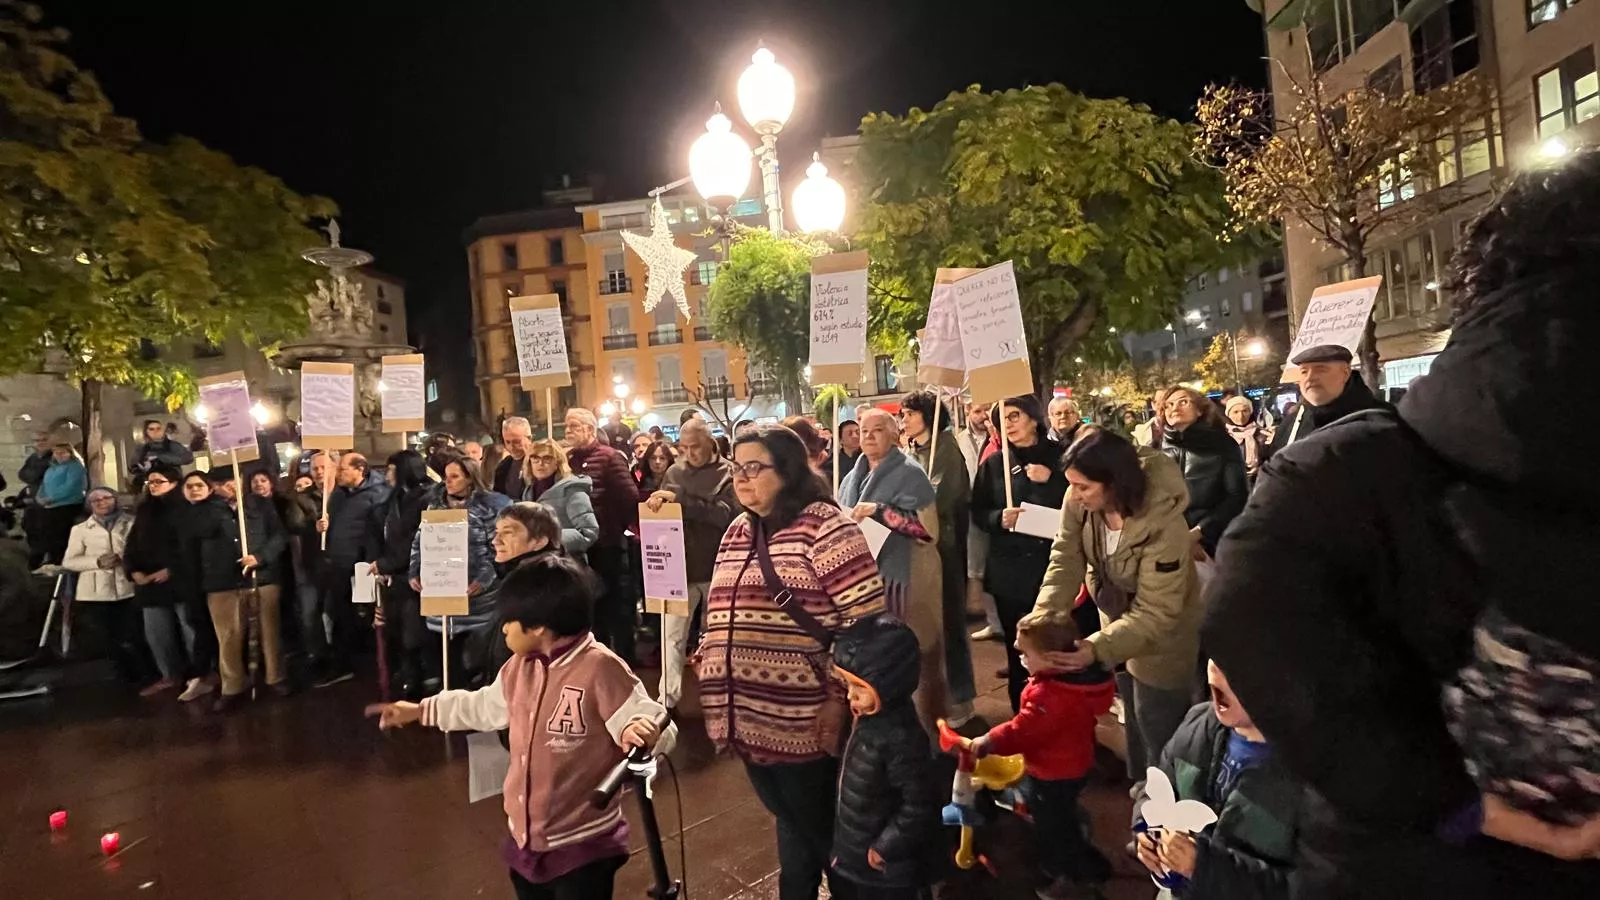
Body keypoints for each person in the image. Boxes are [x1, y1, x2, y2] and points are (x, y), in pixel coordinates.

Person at [1204, 156, 1600, 898]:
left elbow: (1249, 619)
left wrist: (1447, 804)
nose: (1305, 382)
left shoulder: (1342, 471)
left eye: (1316, 373)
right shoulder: (1330, 464)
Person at [366, 555, 677, 900]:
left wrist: (643, 731)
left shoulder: (600, 668)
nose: (503, 630)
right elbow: (483, 706)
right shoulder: (519, 668)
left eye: (509, 623)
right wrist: (421, 710)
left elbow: (654, 719)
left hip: (583, 844)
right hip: (527, 838)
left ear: (539, 628)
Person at [695, 425, 888, 900]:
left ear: (789, 469)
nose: (741, 478)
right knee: (792, 822)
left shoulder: (827, 527)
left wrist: (836, 699)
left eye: (753, 467)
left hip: (801, 717)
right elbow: (724, 603)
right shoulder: (740, 528)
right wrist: (710, 648)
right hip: (746, 715)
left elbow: (865, 627)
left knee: (822, 830)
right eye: (736, 468)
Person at [1031, 429, 1199, 781]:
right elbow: (1066, 556)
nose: (1075, 496)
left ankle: (1168, 815)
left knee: (1159, 724)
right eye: (1071, 485)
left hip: (1164, 634)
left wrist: (1094, 649)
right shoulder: (1079, 500)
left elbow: (1156, 611)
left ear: (1114, 483)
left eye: (1084, 487)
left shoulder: (1164, 522)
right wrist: (1043, 618)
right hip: (1115, 616)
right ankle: (1141, 797)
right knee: (1132, 718)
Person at [966, 609, 1114, 900]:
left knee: (1051, 826)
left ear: (1052, 658)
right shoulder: (1077, 682)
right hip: (1076, 761)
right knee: (1064, 813)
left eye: (1026, 654)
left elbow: (1023, 731)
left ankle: (1066, 875)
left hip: (1053, 770)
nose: (1021, 658)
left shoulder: (1048, 696)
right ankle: (1089, 862)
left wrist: (988, 741)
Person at [1133, 660, 1307, 900]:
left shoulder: (1313, 778)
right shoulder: (1198, 722)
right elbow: (1158, 783)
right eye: (1215, 654)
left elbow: (1309, 888)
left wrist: (1203, 868)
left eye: (1234, 661)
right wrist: (1145, 825)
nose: (1216, 672)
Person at [840, 409, 943, 733]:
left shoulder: (911, 474)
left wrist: (881, 512)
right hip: (868, 582)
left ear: (893, 433)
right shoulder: (849, 477)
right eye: (863, 430)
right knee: (878, 662)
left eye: (877, 430)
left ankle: (927, 734)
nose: (868, 436)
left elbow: (928, 532)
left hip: (909, 580)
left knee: (917, 657)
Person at [829, 615, 940, 900]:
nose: (849, 697)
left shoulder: (901, 737)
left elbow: (919, 803)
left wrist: (885, 847)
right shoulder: (869, 721)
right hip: (859, 855)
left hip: (885, 868)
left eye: (859, 688)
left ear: (890, 684)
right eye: (848, 684)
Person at [971, 395, 1068, 712]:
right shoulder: (994, 464)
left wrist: (1052, 482)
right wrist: (998, 518)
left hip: (1053, 568)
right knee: (1019, 653)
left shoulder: (1061, 457)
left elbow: (1082, 500)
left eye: (1014, 416)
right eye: (1002, 419)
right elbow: (978, 511)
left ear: (1034, 419)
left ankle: (1062, 719)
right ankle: (1023, 719)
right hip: (1009, 573)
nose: (1008, 424)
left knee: (1057, 648)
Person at [644, 417, 736, 713]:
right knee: (671, 636)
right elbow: (665, 511)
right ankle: (666, 699)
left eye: (694, 447)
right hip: (676, 567)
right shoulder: (674, 472)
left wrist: (682, 501)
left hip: (715, 567)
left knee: (718, 637)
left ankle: (720, 694)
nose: (689, 453)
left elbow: (725, 516)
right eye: (684, 447)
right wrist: (657, 505)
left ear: (710, 442)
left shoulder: (729, 473)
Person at [901, 391, 978, 729]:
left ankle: (961, 698)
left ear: (927, 416)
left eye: (909, 413)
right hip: (918, 549)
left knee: (949, 621)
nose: (903, 419)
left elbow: (939, 499)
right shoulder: (912, 451)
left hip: (943, 547)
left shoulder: (945, 448)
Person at [408, 456, 510, 688]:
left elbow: (498, 545)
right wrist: (415, 570)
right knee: (448, 656)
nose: (448, 482)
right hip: (442, 594)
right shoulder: (435, 506)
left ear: (470, 478)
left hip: (477, 599)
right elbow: (420, 541)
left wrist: (484, 578)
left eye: (455, 477)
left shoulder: (490, 508)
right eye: (446, 477)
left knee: (476, 658)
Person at [193, 466, 289, 711]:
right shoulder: (204, 510)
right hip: (223, 582)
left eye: (233, 480)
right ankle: (232, 685)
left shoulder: (260, 505)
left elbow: (278, 536)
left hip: (262, 577)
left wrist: (260, 557)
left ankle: (275, 677)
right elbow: (198, 535)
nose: (230, 486)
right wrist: (221, 508)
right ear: (213, 486)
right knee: (229, 636)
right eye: (223, 482)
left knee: (270, 631)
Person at [63, 487, 158, 690]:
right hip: (96, 592)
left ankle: (147, 673)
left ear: (115, 499)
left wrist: (126, 560)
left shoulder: (131, 523)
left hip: (127, 587)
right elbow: (70, 561)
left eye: (105, 498)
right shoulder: (80, 530)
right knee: (109, 638)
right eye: (95, 500)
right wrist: (97, 562)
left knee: (135, 634)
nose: (101, 503)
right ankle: (123, 676)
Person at [563, 408, 639, 664]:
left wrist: (612, 527)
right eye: (566, 427)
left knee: (615, 605)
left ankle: (624, 660)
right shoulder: (567, 461)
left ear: (589, 429)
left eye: (574, 426)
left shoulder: (609, 458)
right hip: (580, 548)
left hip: (607, 546)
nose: (568, 431)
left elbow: (629, 497)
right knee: (591, 606)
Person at [124, 463, 204, 700]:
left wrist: (172, 569)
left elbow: (189, 545)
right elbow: (132, 542)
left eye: (159, 481)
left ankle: (200, 673)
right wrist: (133, 569)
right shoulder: (144, 510)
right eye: (151, 482)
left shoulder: (184, 509)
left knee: (190, 628)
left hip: (179, 580)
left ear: (174, 483)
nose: (154, 486)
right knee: (157, 633)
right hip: (149, 582)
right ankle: (169, 674)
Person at [312, 452, 390, 687]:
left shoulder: (379, 493)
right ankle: (343, 664)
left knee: (369, 614)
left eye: (343, 469)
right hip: (339, 564)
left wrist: (375, 561)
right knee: (340, 614)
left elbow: (380, 531)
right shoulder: (338, 495)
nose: (337, 473)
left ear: (359, 470)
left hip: (364, 565)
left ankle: (379, 665)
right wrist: (323, 526)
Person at [1161, 387, 1248, 561]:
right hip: (1169, 543)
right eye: (1168, 405)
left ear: (1200, 410)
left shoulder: (1223, 445)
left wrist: (1199, 533)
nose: (1174, 408)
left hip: (1215, 542)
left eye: (1183, 402)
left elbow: (1237, 497)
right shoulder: (1157, 449)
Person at [374, 450, 433, 699]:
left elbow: (416, 540)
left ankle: (422, 677)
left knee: (414, 631)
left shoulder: (426, 498)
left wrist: (387, 564)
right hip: (397, 576)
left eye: (391, 469)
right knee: (399, 628)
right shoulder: (395, 498)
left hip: (417, 576)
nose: (387, 474)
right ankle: (409, 674)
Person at [1264, 344, 1384, 456]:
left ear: (1345, 373)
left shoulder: (1379, 419)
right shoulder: (1291, 423)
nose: (1309, 378)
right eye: (1304, 372)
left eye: (1320, 370)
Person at [956, 401, 1003, 644]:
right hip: (972, 510)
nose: (983, 416)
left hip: (996, 507)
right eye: (977, 411)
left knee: (998, 565)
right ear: (967, 413)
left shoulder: (1000, 437)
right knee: (979, 568)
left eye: (986, 411)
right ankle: (994, 623)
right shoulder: (958, 440)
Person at [520, 437, 599, 562]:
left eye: (547, 458)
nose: (540, 463)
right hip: (537, 564)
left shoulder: (571, 489)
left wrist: (549, 540)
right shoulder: (529, 491)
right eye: (535, 458)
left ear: (557, 462)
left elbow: (588, 532)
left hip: (567, 565)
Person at [177, 471, 219, 693]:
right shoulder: (180, 514)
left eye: (199, 486)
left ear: (210, 488)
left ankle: (212, 671)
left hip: (214, 578)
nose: (194, 489)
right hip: (191, 579)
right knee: (199, 625)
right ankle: (202, 672)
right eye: (189, 486)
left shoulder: (215, 510)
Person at [35, 443, 86, 566]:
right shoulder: (51, 469)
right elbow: (44, 485)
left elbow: (70, 486)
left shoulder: (75, 467)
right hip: (50, 505)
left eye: (63, 453)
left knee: (60, 534)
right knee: (46, 532)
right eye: (56, 453)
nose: (59, 456)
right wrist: (39, 497)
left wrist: (52, 498)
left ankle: (61, 560)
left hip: (68, 504)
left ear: (70, 453)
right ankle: (49, 558)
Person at [127, 419, 194, 491]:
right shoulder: (141, 448)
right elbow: (133, 467)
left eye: (158, 428)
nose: (155, 431)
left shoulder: (173, 446)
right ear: (146, 432)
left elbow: (188, 458)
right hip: (150, 484)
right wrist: (143, 468)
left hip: (172, 483)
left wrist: (160, 457)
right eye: (151, 429)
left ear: (163, 430)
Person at [1223, 396, 1268, 484]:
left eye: (1245, 411)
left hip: (1259, 481)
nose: (1240, 416)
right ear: (1228, 414)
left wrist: (1260, 468)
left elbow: (1270, 458)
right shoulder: (1223, 436)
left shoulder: (1262, 433)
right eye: (1235, 412)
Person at [492, 416, 534, 499]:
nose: (511, 447)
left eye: (516, 442)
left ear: (529, 439)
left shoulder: (539, 463)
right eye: (507, 442)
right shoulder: (503, 467)